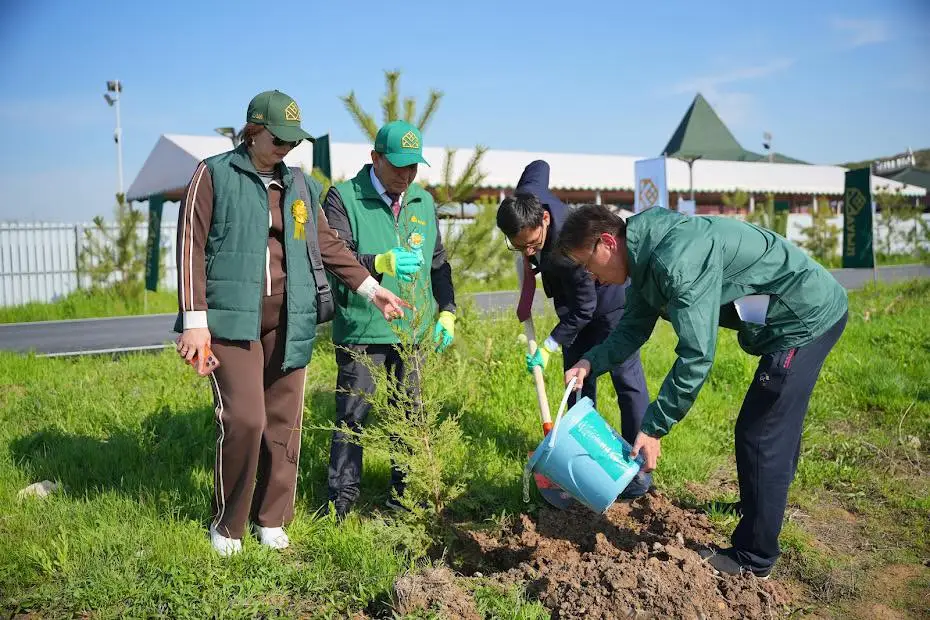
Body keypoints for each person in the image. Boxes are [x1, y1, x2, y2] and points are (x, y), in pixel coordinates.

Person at [174, 90, 409, 556]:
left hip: (291, 316)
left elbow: (328, 244)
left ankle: (272, 518)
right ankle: (228, 524)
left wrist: (370, 288)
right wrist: (194, 321)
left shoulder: (299, 183)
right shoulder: (214, 173)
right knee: (245, 419)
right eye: (279, 138)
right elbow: (190, 246)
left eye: (293, 141)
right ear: (253, 131)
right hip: (230, 320)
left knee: (284, 422)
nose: (287, 148)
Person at [558, 204, 848, 578]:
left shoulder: (675, 261)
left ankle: (753, 557)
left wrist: (654, 427)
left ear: (608, 243)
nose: (591, 277)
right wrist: (590, 362)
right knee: (770, 425)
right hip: (793, 314)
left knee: (761, 433)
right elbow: (632, 329)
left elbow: (696, 355)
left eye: (587, 264)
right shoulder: (646, 257)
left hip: (805, 316)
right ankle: (759, 506)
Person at [322, 120, 456, 519]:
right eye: (398, 165)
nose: (406, 175)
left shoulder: (422, 202)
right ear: (375, 158)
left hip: (412, 329)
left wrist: (448, 311)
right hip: (363, 325)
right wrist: (379, 262)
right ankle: (342, 501)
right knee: (353, 414)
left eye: (413, 166)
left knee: (411, 414)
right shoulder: (345, 197)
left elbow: (439, 264)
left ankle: (406, 497)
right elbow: (336, 259)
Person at [496, 160, 652, 498]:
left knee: (626, 379)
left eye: (533, 243)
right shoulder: (526, 201)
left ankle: (639, 468)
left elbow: (586, 308)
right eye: (519, 245)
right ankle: (584, 459)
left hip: (609, 301)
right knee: (577, 382)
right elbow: (538, 166)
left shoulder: (570, 250)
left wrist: (550, 345)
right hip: (573, 307)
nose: (527, 251)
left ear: (545, 219)